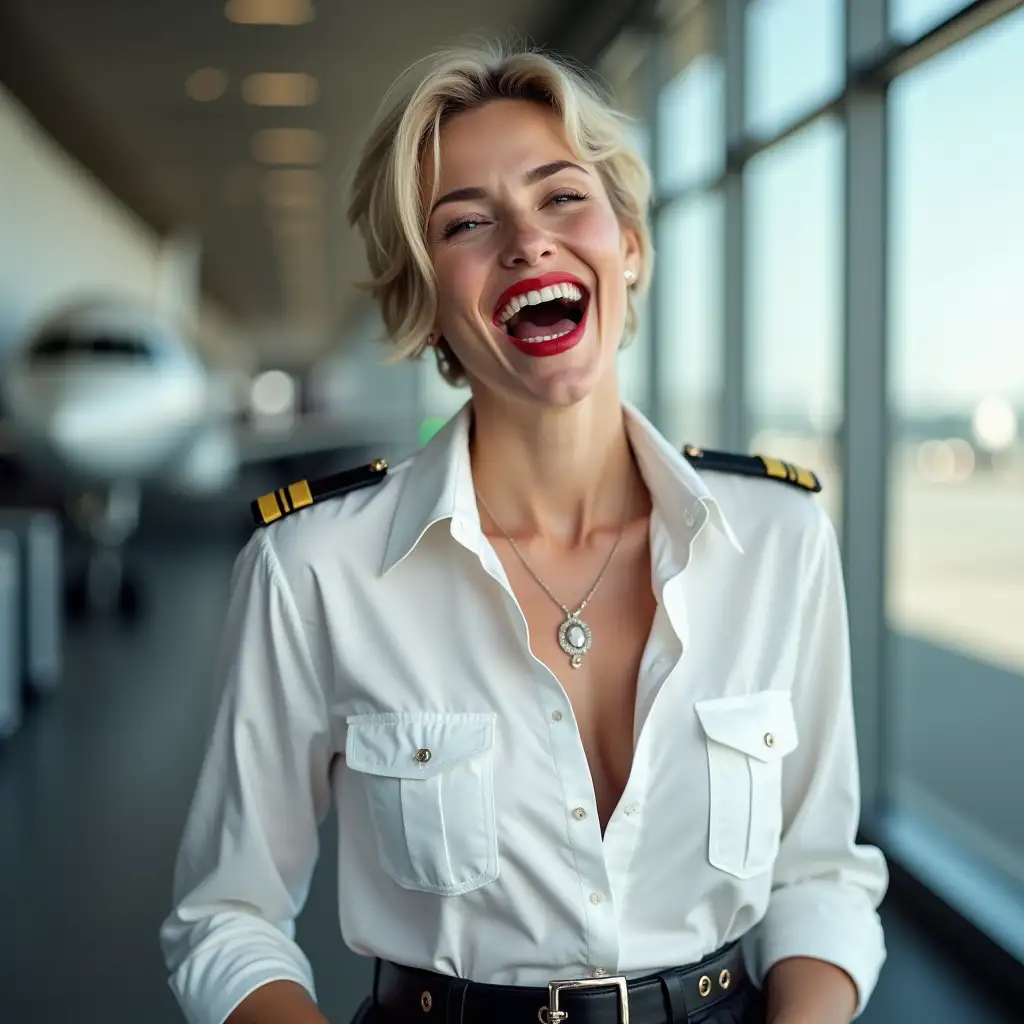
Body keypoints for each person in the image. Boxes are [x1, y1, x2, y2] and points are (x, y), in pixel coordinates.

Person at [159, 41, 888, 1024]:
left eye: (561, 197)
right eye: (467, 221)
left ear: (626, 243)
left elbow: (819, 876)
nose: (526, 242)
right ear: (424, 304)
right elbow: (226, 915)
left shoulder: (779, 536)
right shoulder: (312, 567)